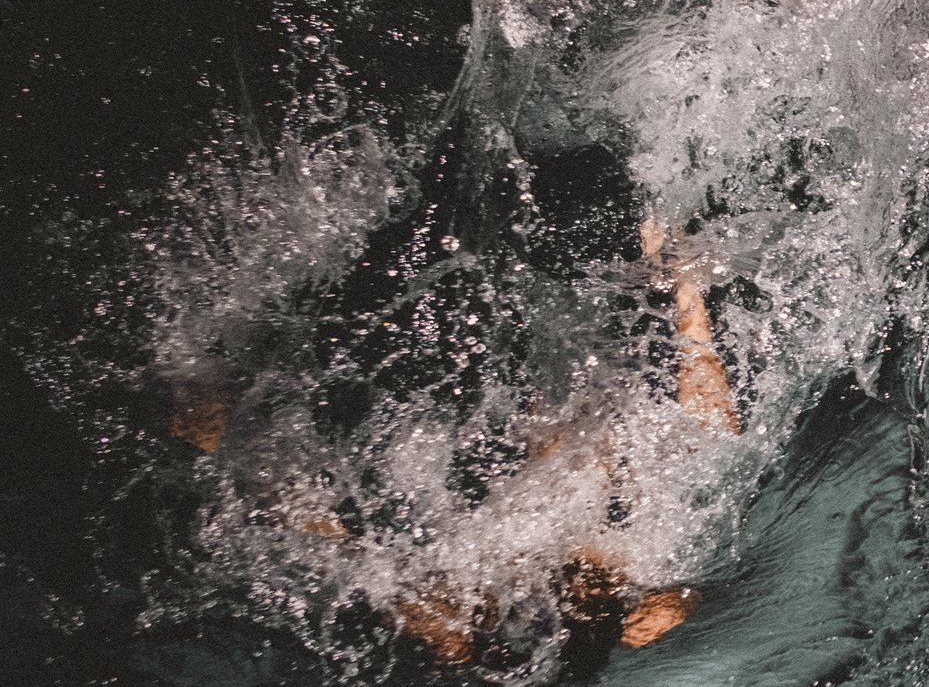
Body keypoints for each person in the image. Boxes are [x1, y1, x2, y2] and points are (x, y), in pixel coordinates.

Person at [169, 214, 740, 664]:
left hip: (476, 386)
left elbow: (364, 557)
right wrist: (684, 298)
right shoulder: (638, 534)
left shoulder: (486, 575)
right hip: (509, 377)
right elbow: (706, 426)